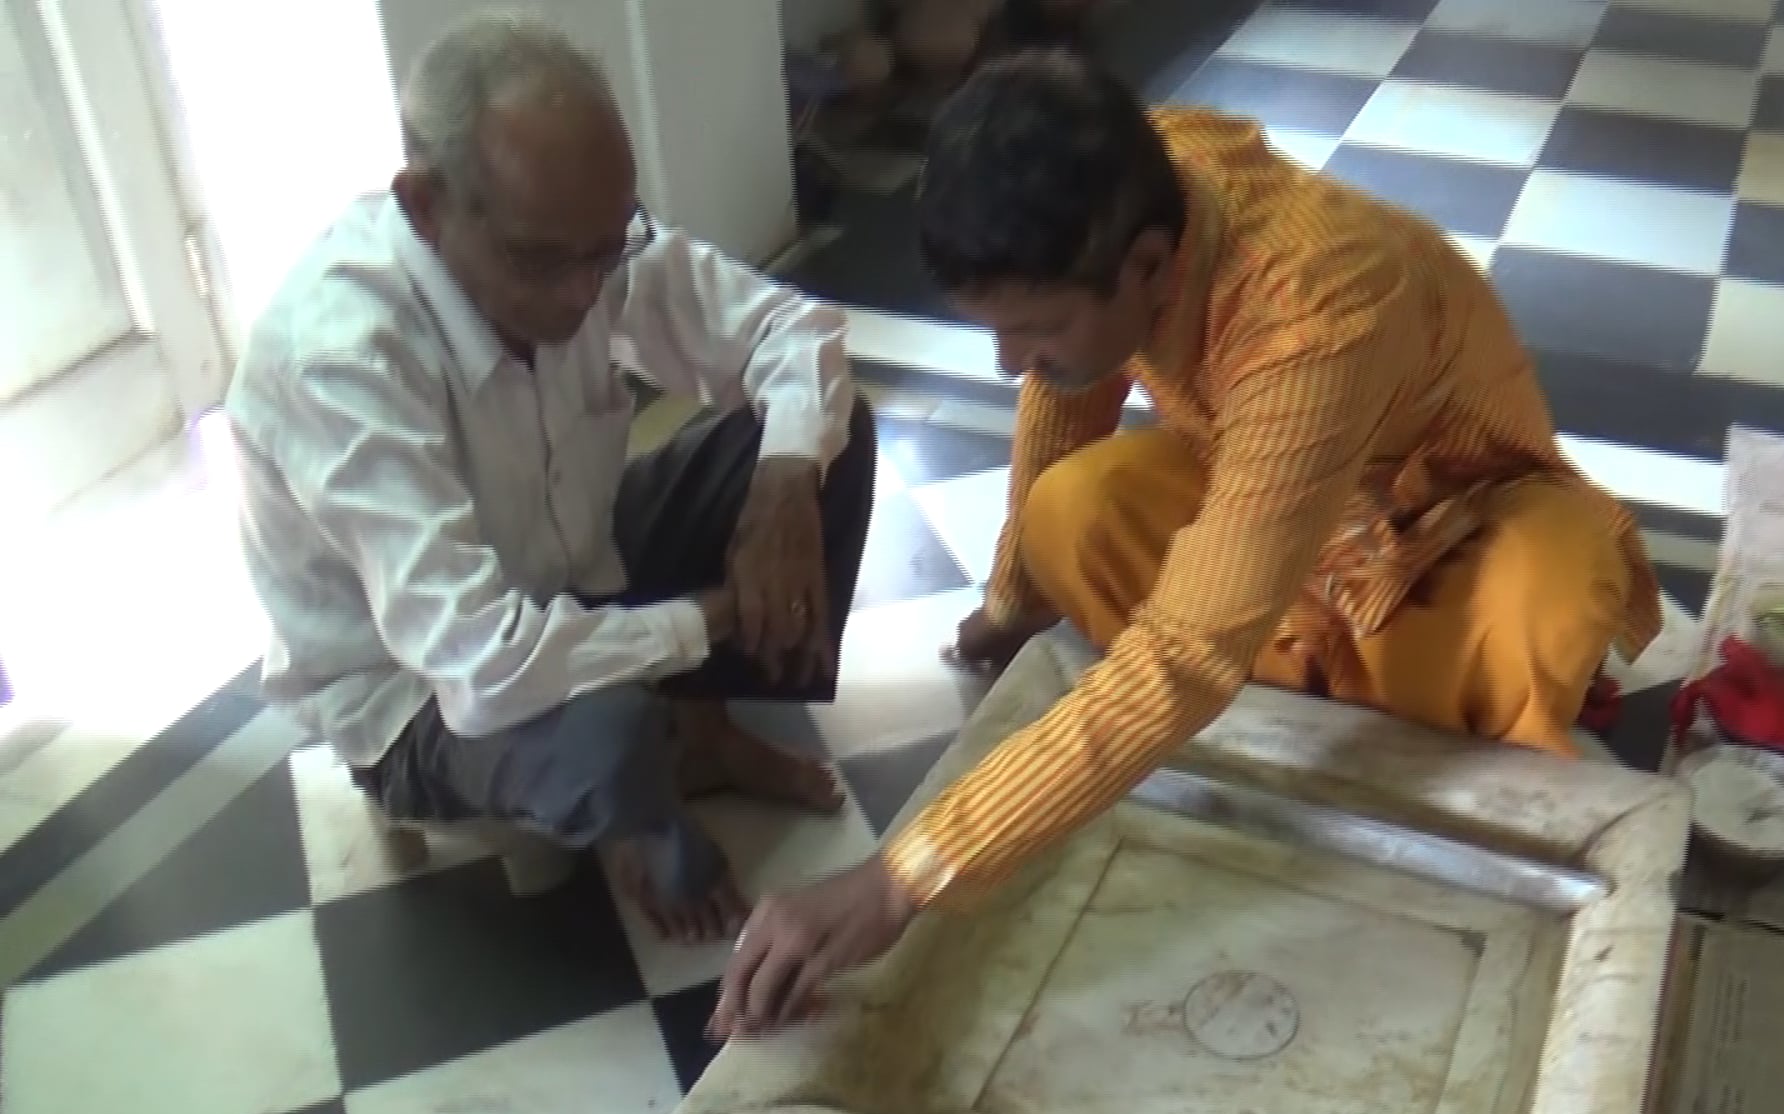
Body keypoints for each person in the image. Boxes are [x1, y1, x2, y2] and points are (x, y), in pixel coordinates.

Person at [709, 51, 1661, 1038]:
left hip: (1450, 518)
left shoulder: (1318, 308)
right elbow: (1065, 388)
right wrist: (1015, 598)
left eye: (1035, 329)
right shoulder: (1132, 177)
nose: (1007, 363)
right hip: (1270, 495)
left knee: (1546, 604)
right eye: (997, 332)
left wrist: (902, 877)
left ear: (1150, 265)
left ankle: (1299, 664)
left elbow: (1184, 655)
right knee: (1073, 514)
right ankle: (1327, 669)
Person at [231, 16, 872, 944]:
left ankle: (698, 734)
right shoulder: (344, 358)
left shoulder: (576, 236)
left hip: (568, 562)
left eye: (607, 249)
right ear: (425, 207)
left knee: (821, 438)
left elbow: (796, 334)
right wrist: (709, 618)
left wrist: (783, 483)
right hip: (417, 685)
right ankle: (636, 794)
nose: (583, 294)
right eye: (541, 261)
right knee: (605, 738)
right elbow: (481, 662)